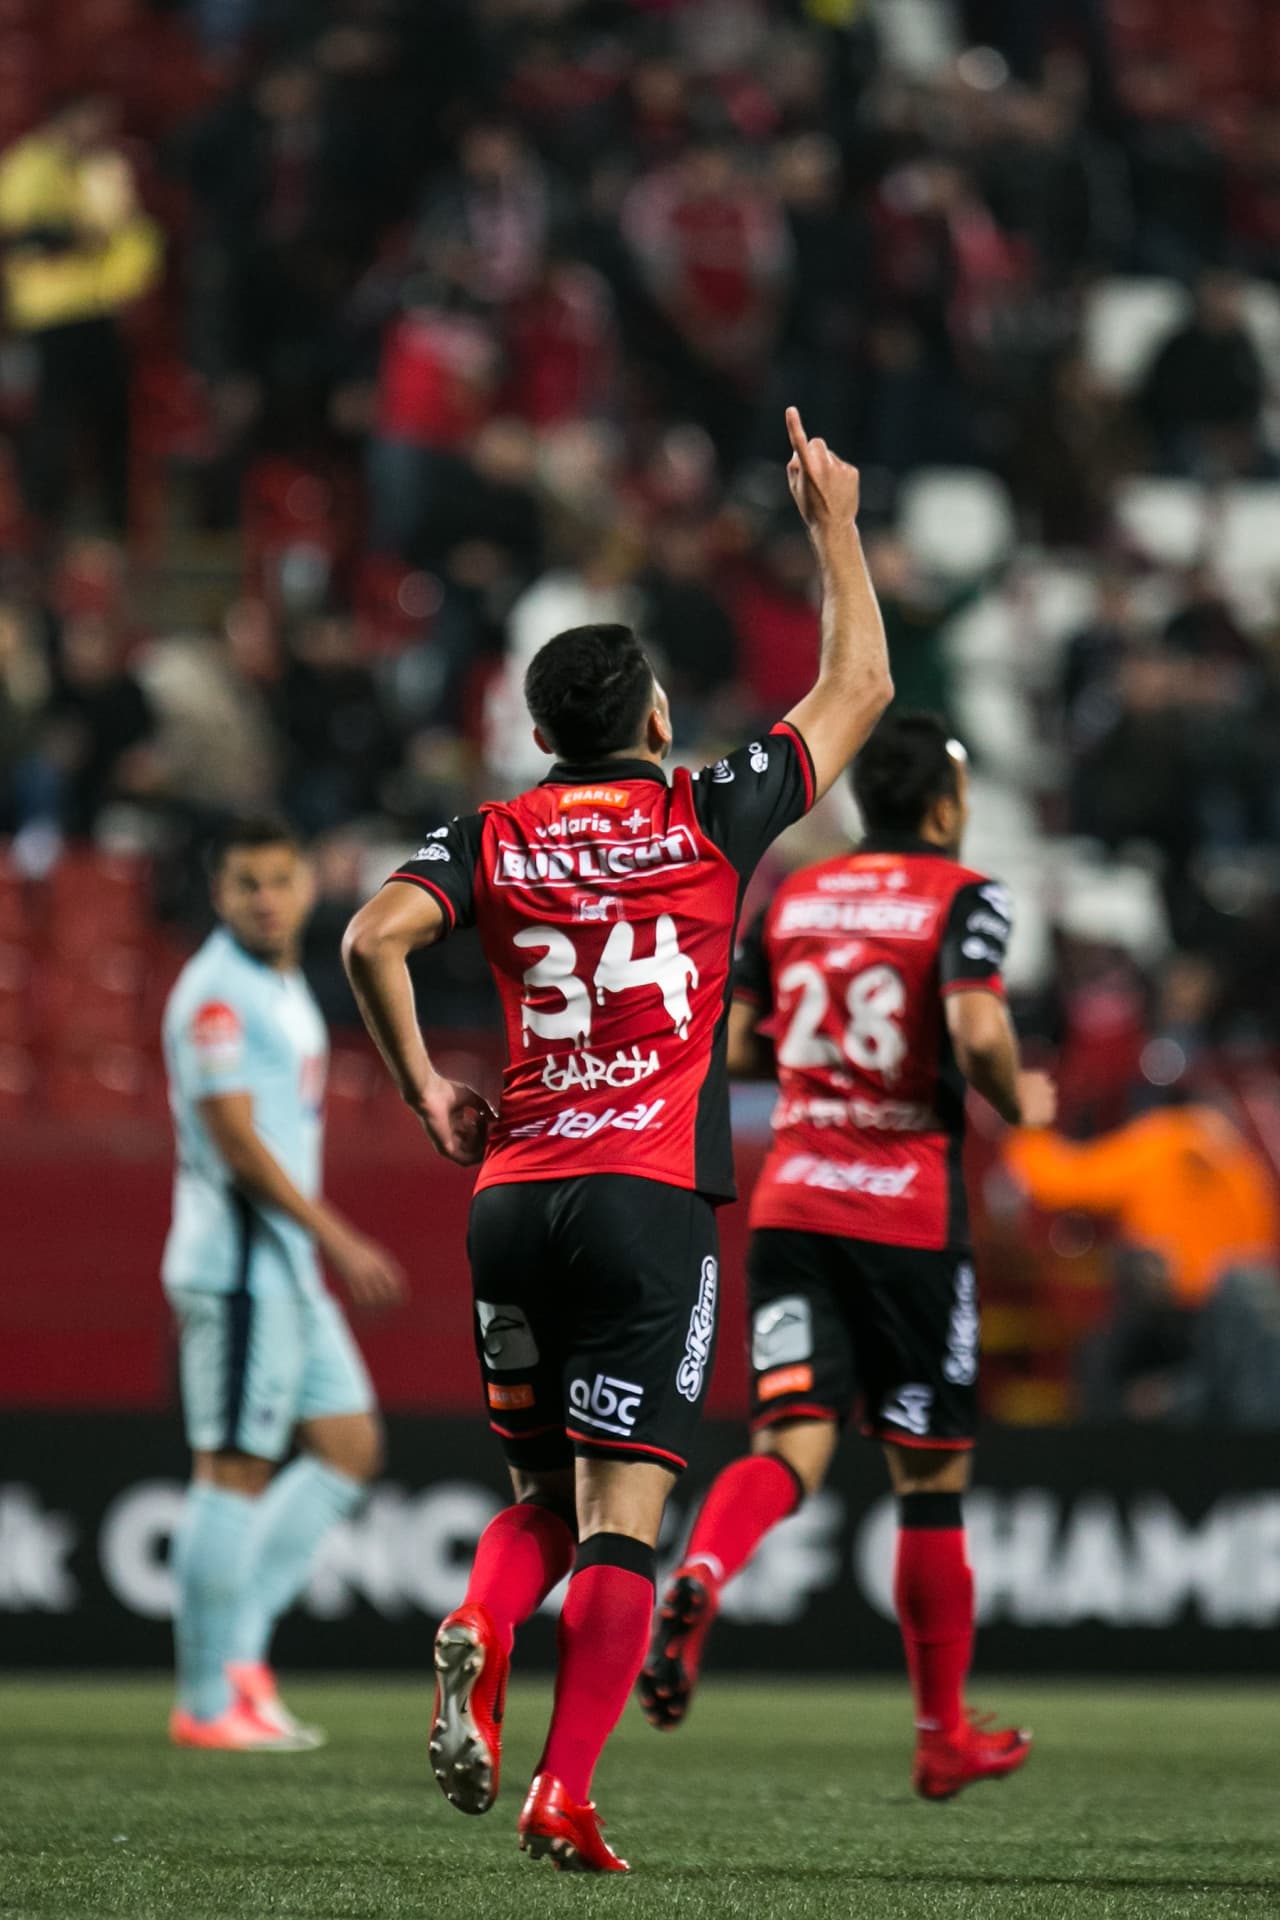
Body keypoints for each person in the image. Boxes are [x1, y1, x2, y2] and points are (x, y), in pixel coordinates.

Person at [341, 408, 892, 1872]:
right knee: (625, 1518)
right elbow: (861, 685)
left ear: (537, 734)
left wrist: (423, 1094)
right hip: (647, 1200)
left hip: (513, 1195)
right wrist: (829, 517)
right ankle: (566, 1790)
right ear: (653, 720)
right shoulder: (711, 811)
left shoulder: (494, 835)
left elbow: (369, 938)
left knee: (533, 1496)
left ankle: (475, 1615)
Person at [639, 711, 1057, 1801]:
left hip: (790, 1204)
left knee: (788, 1447)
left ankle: (701, 1570)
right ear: (948, 804)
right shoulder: (966, 898)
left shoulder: (796, 898)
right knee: (928, 1479)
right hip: (905, 1216)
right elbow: (972, 1036)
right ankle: (936, 1733)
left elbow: (732, 1046)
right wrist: (1022, 1099)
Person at [162, 817, 404, 1751]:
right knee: (232, 1470)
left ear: (307, 886)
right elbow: (233, 1139)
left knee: (348, 1447)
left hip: (283, 1272)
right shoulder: (214, 994)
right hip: (239, 1270)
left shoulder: (279, 980)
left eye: (279, 879)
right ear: (219, 895)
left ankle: (241, 1663)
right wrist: (337, 1238)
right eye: (245, 883)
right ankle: (204, 1700)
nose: (265, 898)